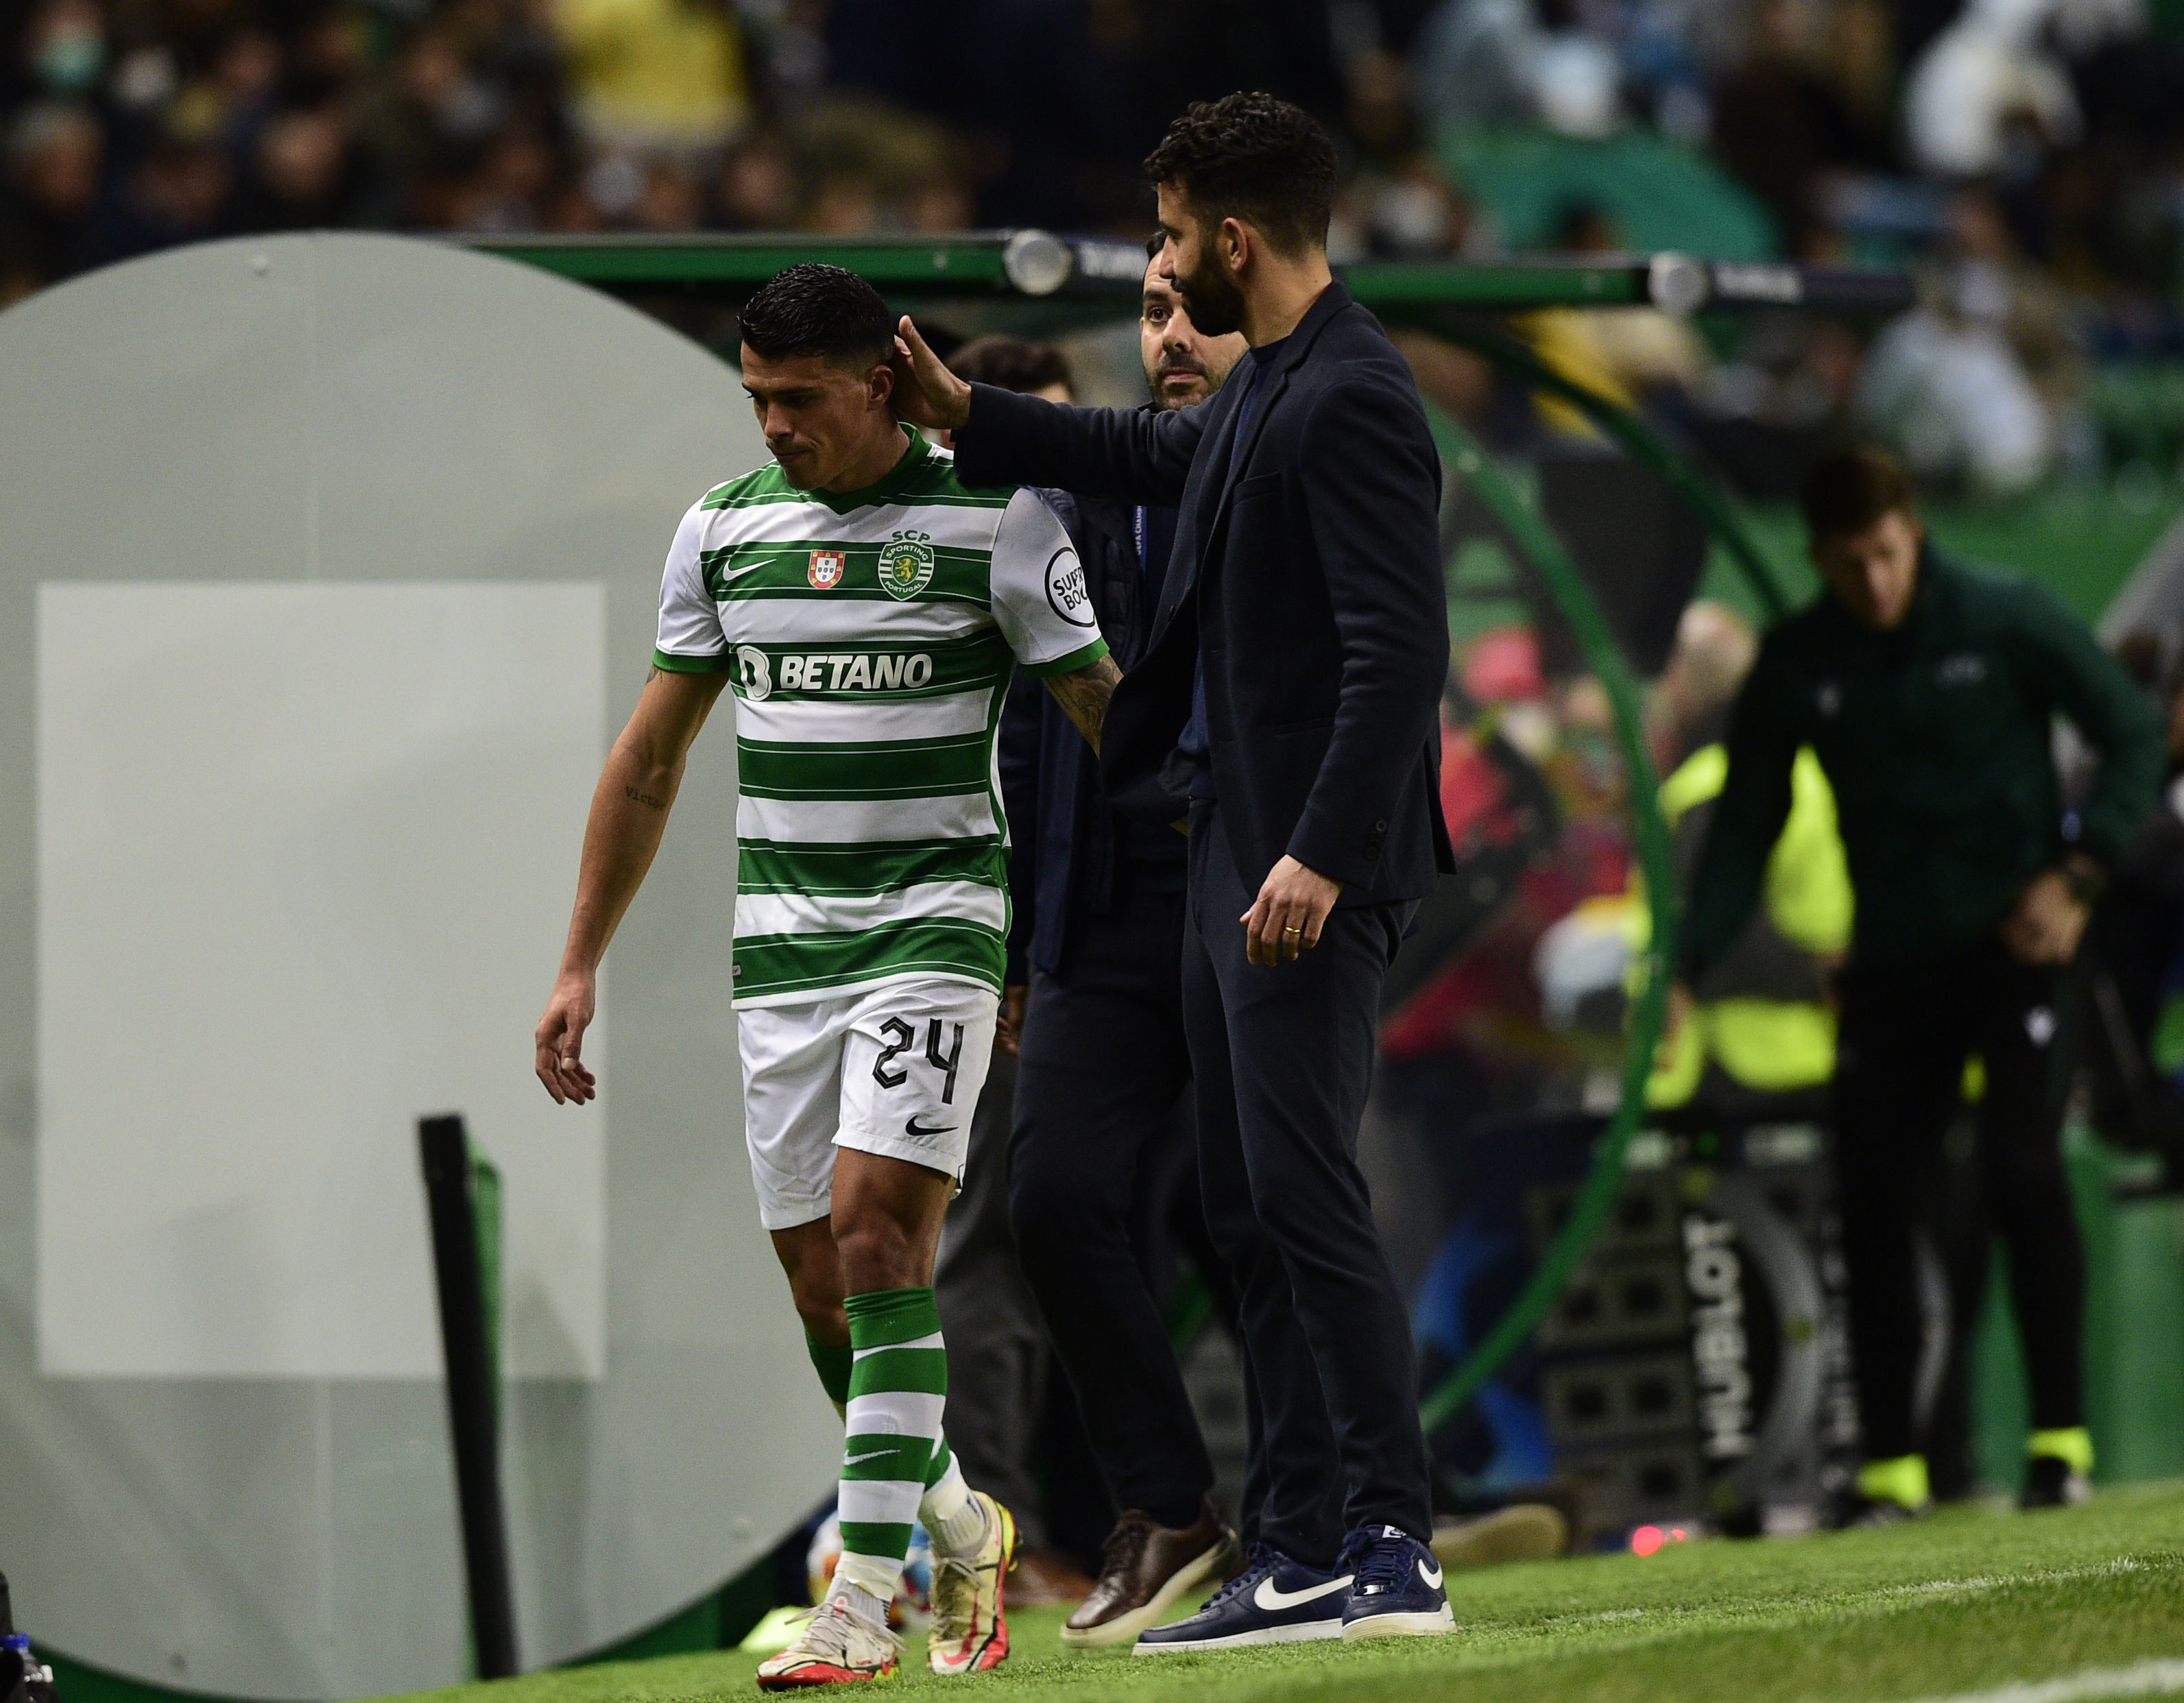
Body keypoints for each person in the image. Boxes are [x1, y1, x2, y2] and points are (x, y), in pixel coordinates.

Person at [894, 92, 1457, 1647]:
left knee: (1300, 1195)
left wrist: (1321, 856)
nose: (1156, 264)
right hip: (1238, 858)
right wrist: (962, 409)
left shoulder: (1350, 394)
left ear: (1230, 238)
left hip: (1296, 872)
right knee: (1245, 1200)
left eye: (1163, 236)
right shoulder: (1273, 390)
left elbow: (1401, 657)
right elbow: (1136, 448)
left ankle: (1390, 1543)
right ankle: (1291, 1547)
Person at [531, 262, 1123, 1687]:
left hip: (935, 929)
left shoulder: (998, 519)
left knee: (877, 1243)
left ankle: (862, 1608)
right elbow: (652, 760)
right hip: (783, 954)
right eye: (756, 399)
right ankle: (959, 1513)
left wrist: (1164, 903)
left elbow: (1110, 721)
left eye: (797, 400)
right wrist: (577, 964)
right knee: (821, 1294)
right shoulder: (726, 533)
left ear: (880, 380)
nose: (773, 426)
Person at [1683, 445, 2163, 1522]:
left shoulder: (2004, 611)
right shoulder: (1803, 662)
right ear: (1817, 557)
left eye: (1890, 555)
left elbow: (2129, 730)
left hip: (2018, 951)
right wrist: (1688, 965)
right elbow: (1743, 829)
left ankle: (2058, 1441)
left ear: (1914, 533)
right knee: (1872, 1198)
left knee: (2024, 1170)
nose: (1877, 584)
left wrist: (2078, 873)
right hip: (1894, 964)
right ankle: (1893, 1464)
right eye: (1851, 564)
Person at [996, 240, 1250, 1649]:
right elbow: (1037, 746)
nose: (1172, 333)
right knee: (1054, 1203)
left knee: (1269, 1210)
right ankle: (1166, 1503)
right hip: (1101, 916)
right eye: (1152, 312)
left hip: (1251, 899)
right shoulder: (1061, 502)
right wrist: (1029, 944)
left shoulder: (1290, 474)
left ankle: (1337, 1515)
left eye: (1193, 311)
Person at [923, 330, 1096, 1609]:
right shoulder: (973, 596)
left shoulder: (1081, 579)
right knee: (983, 1251)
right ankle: (991, 1536)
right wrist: (1020, 961)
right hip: (997, 971)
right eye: (1015, 449)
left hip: (1091, 967)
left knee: (1084, 1245)